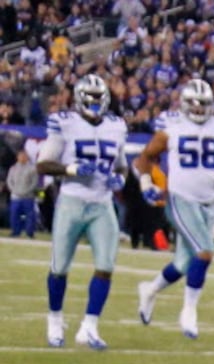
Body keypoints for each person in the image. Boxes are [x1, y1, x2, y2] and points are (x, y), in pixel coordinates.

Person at [134, 78, 214, 339]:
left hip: (209, 202)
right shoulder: (171, 126)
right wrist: (146, 182)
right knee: (205, 252)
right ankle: (189, 311)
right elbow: (146, 156)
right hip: (181, 198)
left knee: (184, 263)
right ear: (184, 104)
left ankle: (149, 290)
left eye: (203, 104)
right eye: (194, 104)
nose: (198, 109)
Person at [33, 74, 127, 349]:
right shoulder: (65, 123)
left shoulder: (116, 126)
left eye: (100, 99)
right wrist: (70, 170)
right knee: (59, 267)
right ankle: (54, 318)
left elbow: (121, 165)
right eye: (92, 99)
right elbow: (43, 164)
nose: (96, 104)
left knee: (106, 266)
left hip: (102, 202)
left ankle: (89, 326)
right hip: (72, 201)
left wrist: (120, 178)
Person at [7, 147, 37, 237]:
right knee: (14, 214)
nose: (22, 158)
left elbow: (34, 182)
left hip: (28, 196)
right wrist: (13, 190)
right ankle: (15, 232)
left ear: (27, 157)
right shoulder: (13, 168)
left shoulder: (32, 168)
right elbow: (9, 180)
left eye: (24, 156)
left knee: (29, 215)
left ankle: (29, 232)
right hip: (15, 196)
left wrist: (26, 191)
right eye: (20, 156)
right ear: (17, 157)